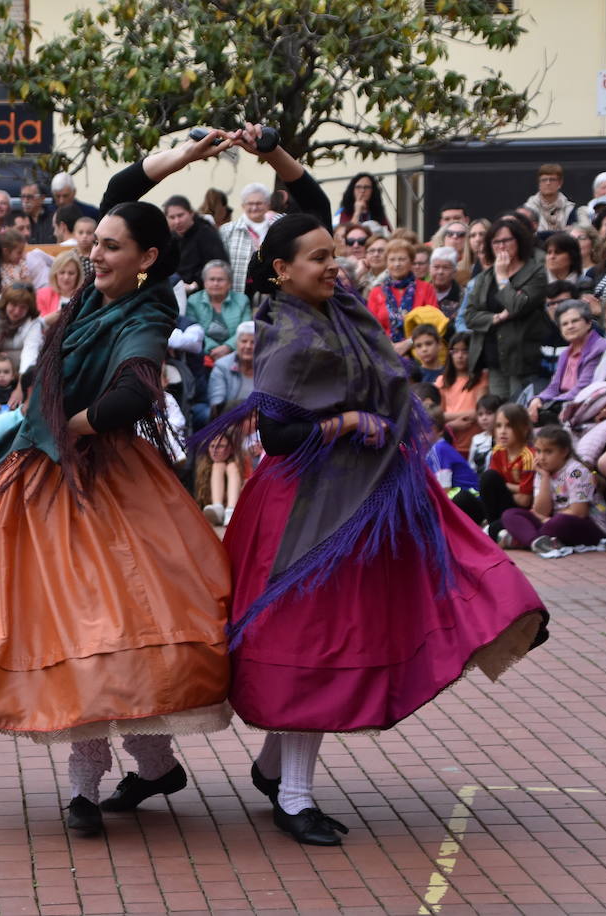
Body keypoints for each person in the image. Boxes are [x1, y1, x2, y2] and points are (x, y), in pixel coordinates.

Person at [0, 128, 250, 839]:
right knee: (55, 621)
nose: (94, 253)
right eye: (93, 243)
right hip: (43, 475)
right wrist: (183, 157)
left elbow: (132, 397)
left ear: (149, 260)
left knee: (103, 629)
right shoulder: (99, 293)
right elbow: (127, 190)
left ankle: (115, 776)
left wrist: (76, 426)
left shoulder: (149, 309)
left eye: (111, 248)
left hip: (102, 477)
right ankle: (124, 775)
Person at [199, 204, 546, 847]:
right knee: (309, 646)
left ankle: (278, 770)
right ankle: (294, 795)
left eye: (335, 254)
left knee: (329, 638)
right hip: (308, 510)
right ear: (281, 269)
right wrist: (347, 424)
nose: (335, 266)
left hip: (357, 496)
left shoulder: (333, 309)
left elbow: (307, 198)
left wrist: (271, 148)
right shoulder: (287, 333)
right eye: (319, 258)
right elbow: (275, 432)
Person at [464, 217, 551, 401]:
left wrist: (503, 278)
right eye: (496, 242)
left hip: (523, 357)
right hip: (494, 357)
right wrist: (496, 318)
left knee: (518, 411)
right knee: (499, 411)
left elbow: (517, 306)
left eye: (506, 240)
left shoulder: (535, 272)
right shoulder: (485, 277)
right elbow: (470, 316)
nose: (501, 246)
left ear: (518, 241)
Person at [499, 426, 606, 552]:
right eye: (538, 451)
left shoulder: (576, 471)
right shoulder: (543, 470)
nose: (541, 457)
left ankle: (524, 539)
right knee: (510, 514)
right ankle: (537, 542)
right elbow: (541, 511)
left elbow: (579, 512)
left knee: (559, 523)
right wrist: (545, 477)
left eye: (548, 452)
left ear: (564, 452)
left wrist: (546, 520)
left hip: (588, 527)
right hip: (552, 522)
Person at [527, 300, 606, 423]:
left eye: (575, 321)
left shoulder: (598, 348)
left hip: (584, 410)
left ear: (588, 323)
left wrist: (550, 403)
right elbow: (553, 387)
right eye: (564, 324)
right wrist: (538, 400)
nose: (570, 326)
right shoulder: (566, 353)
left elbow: (583, 388)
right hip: (561, 405)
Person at [366, 239, 441, 354]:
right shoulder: (376, 292)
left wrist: (409, 343)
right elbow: (371, 327)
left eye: (402, 259)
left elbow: (433, 322)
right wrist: (390, 346)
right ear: (386, 263)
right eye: (392, 259)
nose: (397, 264)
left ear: (411, 262)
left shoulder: (426, 288)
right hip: (386, 353)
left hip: (420, 351)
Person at [480, 403, 536, 540]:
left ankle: (492, 529)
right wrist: (515, 488)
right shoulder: (498, 450)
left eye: (509, 426)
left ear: (524, 429)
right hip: (502, 506)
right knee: (463, 498)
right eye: (498, 426)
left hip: (521, 511)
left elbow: (524, 500)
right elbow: (492, 485)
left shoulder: (529, 456)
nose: (502, 431)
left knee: (490, 478)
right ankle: (491, 526)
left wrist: (503, 485)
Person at [220, 183, 281, 295]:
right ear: (243, 206)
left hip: (270, 288)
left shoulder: (277, 228)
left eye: (259, 203)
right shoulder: (228, 230)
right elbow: (220, 263)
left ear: (268, 205)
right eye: (250, 203)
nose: (254, 207)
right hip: (238, 291)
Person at [185, 260, 252, 360]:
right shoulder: (193, 301)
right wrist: (213, 349)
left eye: (220, 280)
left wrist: (228, 347)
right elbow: (192, 331)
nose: (215, 283)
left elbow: (246, 330)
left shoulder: (242, 300)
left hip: (234, 354)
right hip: (202, 356)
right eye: (211, 279)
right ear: (204, 282)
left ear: (229, 283)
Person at [0, 283, 43, 376]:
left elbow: (30, 354)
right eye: (13, 305)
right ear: (6, 303)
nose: (17, 311)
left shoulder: (34, 321)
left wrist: (21, 382)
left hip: (18, 365)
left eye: (22, 307)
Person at [439, 332, 487, 456]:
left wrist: (447, 417)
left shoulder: (483, 378)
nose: (460, 356)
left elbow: (479, 412)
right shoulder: (442, 381)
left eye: (465, 351)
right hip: (449, 446)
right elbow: (437, 416)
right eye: (455, 351)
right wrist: (451, 426)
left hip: (476, 447)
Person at [209, 321, 256, 416]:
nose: (248, 346)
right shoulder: (222, 366)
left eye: (253, 342)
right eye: (244, 341)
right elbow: (217, 406)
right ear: (236, 344)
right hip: (229, 419)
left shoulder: (267, 367)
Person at [524, 164, 580, 232]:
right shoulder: (528, 208)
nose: (548, 183)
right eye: (544, 180)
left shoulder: (570, 208)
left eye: (552, 180)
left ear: (560, 183)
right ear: (539, 183)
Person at [35, 249, 83, 317]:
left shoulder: (85, 296)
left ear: (78, 275)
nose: (66, 277)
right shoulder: (42, 295)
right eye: (62, 272)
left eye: (71, 273)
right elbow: (38, 324)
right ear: (55, 274)